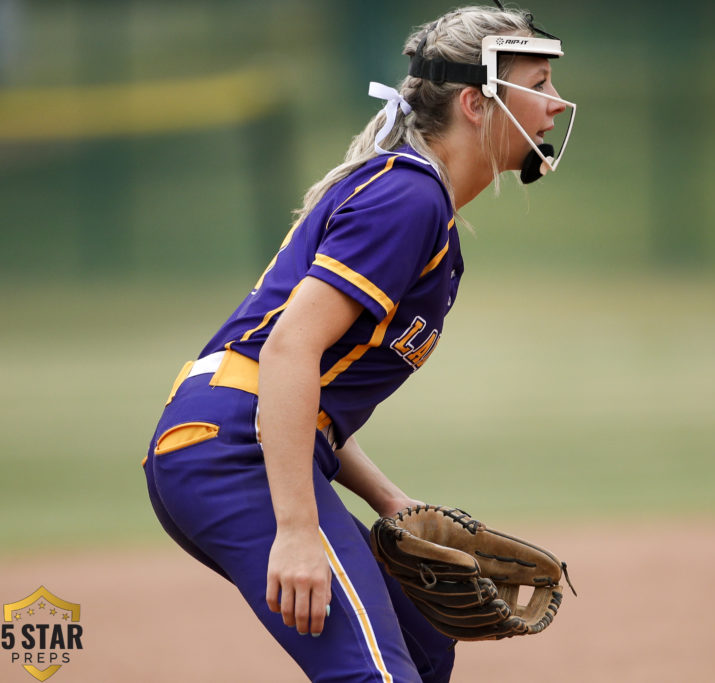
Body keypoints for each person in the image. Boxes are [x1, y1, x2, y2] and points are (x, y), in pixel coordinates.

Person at [141, 3, 574, 681]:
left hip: (235, 443)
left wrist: (388, 499)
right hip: (231, 454)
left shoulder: (414, 198)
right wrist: (296, 528)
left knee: (424, 646)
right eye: (539, 83)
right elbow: (287, 353)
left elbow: (308, 391)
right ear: (473, 101)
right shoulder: (408, 199)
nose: (554, 105)